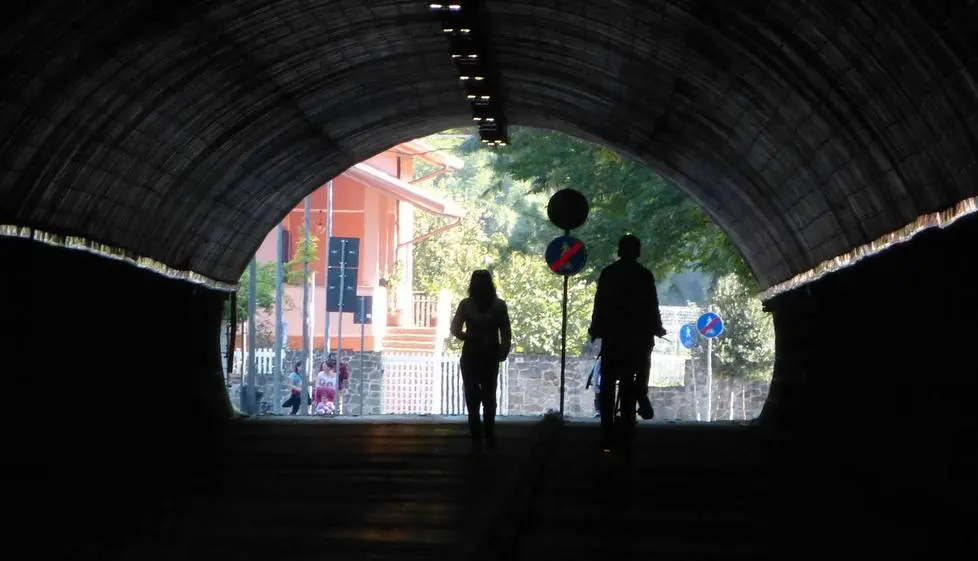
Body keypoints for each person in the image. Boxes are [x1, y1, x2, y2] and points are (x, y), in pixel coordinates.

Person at [588, 234, 666, 453]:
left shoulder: (608, 274)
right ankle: (641, 394)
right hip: (638, 339)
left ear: (619, 251)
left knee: (607, 385)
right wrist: (657, 328)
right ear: (638, 252)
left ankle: (605, 429)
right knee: (642, 365)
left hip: (613, 338)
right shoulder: (644, 275)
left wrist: (596, 329)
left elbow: (599, 304)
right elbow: (652, 306)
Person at [450, 270, 512, 452]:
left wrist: (470, 336)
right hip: (490, 355)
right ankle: (489, 434)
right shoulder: (499, 306)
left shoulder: (466, 305)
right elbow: (506, 332)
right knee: (489, 395)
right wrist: (503, 351)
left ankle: (476, 435)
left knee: (472, 395)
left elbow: (455, 329)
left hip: (470, 355)